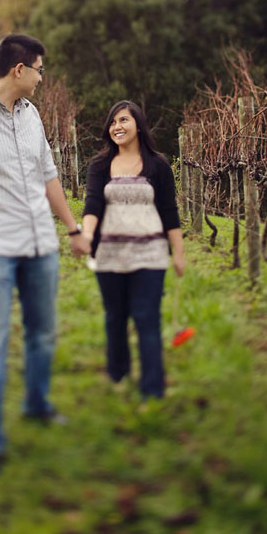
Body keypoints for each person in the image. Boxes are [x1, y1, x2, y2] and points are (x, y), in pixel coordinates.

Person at [0, 34, 89, 480]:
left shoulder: (33, 115)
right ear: (19, 70)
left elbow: (48, 175)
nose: (43, 78)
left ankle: (37, 405)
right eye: (40, 69)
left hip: (40, 245)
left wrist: (73, 227)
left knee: (42, 335)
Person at [80, 100, 185, 401]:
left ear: (138, 124)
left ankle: (152, 389)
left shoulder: (158, 165)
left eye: (124, 120)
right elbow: (92, 205)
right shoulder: (100, 166)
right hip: (110, 253)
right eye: (113, 122)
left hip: (150, 253)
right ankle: (118, 373)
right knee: (115, 316)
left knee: (146, 316)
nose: (117, 127)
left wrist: (178, 252)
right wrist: (87, 235)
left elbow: (169, 211)